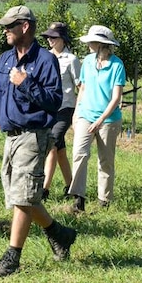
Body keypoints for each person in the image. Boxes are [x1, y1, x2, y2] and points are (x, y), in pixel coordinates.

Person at [0, 5, 77, 278]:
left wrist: (25, 83)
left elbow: (55, 102)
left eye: (10, 26)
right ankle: (59, 233)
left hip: (34, 135)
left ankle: (12, 258)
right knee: (24, 195)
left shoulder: (45, 61)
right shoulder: (6, 59)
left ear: (25, 26)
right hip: (10, 137)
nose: (5, 31)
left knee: (22, 196)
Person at [67, 25, 126, 213]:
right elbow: (82, 88)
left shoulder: (117, 65)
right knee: (79, 154)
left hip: (108, 119)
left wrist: (100, 120)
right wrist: (76, 114)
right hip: (86, 114)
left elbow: (116, 98)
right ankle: (78, 198)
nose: (88, 44)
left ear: (101, 44)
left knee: (105, 160)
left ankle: (104, 200)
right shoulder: (87, 62)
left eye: (92, 41)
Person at [40, 22, 80, 201]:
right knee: (60, 150)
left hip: (66, 109)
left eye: (54, 37)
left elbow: (81, 86)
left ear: (63, 39)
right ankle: (71, 186)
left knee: (51, 145)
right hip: (49, 110)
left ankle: (44, 189)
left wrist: (78, 111)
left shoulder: (71, 60)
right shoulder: (45, 57)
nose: (50, 40)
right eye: (48, 37)